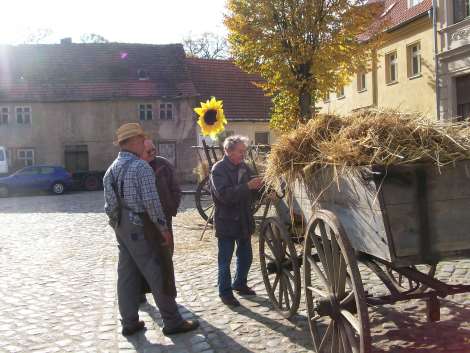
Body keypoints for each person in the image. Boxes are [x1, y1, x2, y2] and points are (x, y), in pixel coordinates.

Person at [103, 122, 199, 336]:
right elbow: (152, 203)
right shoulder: (141, 167)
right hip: (141, 225)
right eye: (140, 139)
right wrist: (163, 229)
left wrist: (118, 225)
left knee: (126, 275)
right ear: (134, 142)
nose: (143, 143)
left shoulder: (111, 169)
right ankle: (172, 321)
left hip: (121, 227)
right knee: (158, 271)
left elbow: (109, 205)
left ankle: (129, 322)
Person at [210, 135, 263, 307]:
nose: (243, 154)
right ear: (228, 151)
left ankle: (240, 283)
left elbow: (252, 192)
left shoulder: (244, 167)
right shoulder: (218, 169)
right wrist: (247, 186)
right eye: (240, 151)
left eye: (244, 151)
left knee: (246, 256)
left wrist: (260, 190)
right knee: (225, 260)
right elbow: (224, 195)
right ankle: (225, 292)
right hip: (227, 221)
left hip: (244, 220)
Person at [141, 139, 181, 253]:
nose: (152, 153)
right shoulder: (138, 167)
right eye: (149, 151)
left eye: (154, 150)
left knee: (167, 250)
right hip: (146, 218)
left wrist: (172, 207)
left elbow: (176, 188)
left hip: (165, 214)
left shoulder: (163, 164)